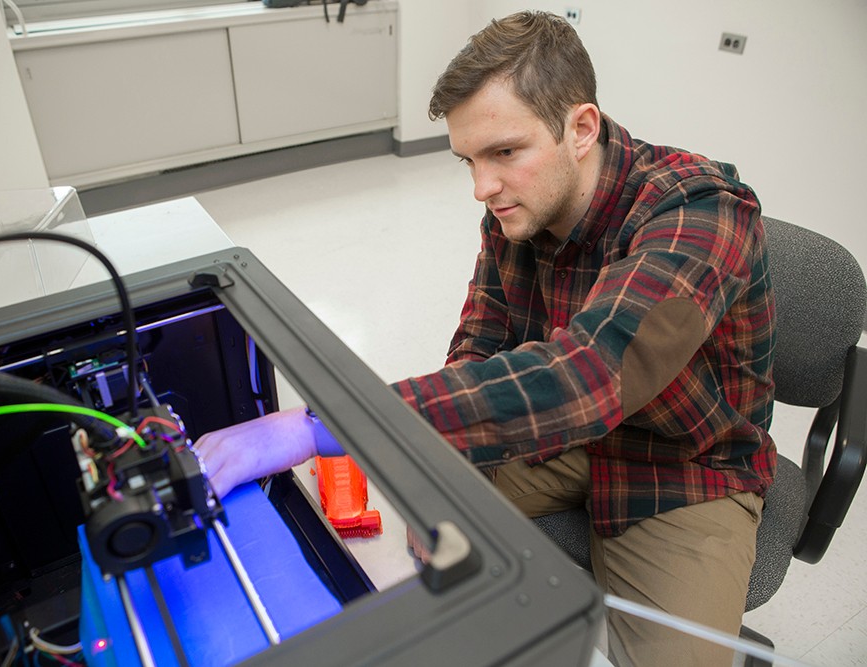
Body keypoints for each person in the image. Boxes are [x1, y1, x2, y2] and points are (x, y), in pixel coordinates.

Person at [197, 10, 776, 666]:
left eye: (504, 152)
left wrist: (316, 425)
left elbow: (587, 376)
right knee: (427, 524)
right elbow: (480, 337)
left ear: (581, 127)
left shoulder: (701, 212)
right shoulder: (515, 209)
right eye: (469, 159)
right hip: (562, 434)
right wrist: (442, 465)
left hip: (682, 462)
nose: (482, 187)